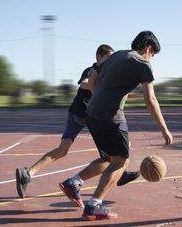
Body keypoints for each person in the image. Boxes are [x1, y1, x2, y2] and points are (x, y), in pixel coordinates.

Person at [59, 31, 173, 221]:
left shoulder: (116, 55)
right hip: (110, 116)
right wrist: (163, 128)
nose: (151, 58)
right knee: (121, 162)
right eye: (152, 55)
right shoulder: (143, 63)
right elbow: (150, 99)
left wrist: (99, 100)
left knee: (109, 159)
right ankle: (94, 205)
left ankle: (74, 183)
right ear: (148, 49)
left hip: (92, 113)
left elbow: (93, 79)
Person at [15, 45, 140, 200]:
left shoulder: (106, 72)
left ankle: (27, 173)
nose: (111, 61)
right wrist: (99, 88)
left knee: (62, 150)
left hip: (75, 114)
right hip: (89, 115)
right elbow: (84, 83)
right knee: (113, 155)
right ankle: (118, 173)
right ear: (98, 57)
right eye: (108, 57)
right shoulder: (93, 70)